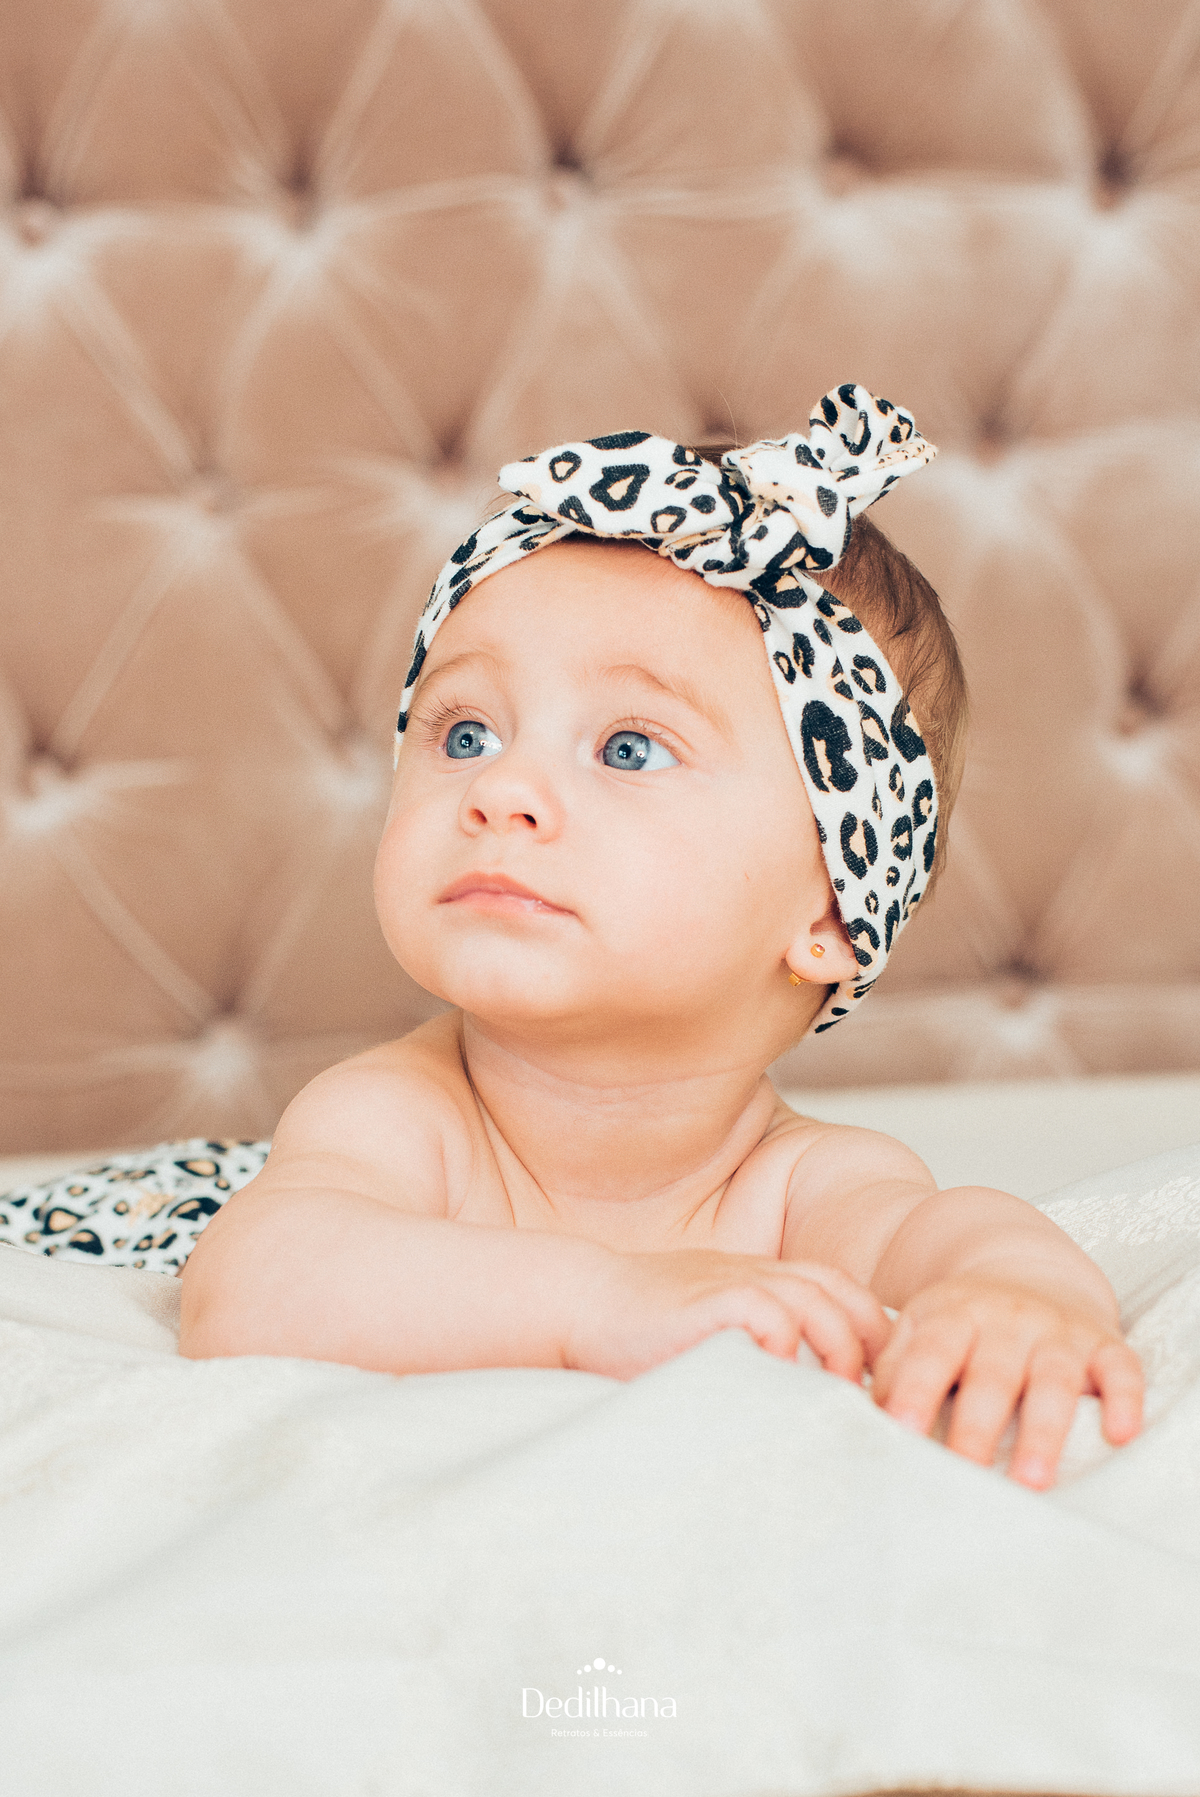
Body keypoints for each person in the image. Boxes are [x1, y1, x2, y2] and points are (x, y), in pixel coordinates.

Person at [177, 383, 1144, 1492]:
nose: (501, 789)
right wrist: (597, 1304)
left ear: (833, 914)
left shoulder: (803, 1184)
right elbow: (247, 1287)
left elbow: (956, 1235)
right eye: (467, 731)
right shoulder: (396, 1115)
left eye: (629, 748)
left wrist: (1021, 1297)